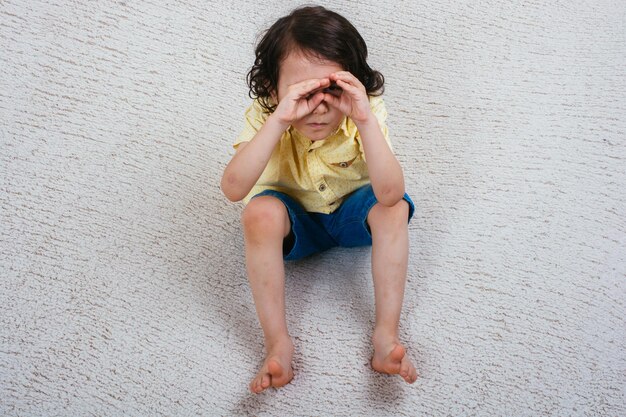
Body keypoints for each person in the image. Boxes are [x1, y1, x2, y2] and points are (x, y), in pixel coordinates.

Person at [221, 5, 418, 394]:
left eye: (330, 88)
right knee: (258, 214)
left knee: (393, 210)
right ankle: (278, 344)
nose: (319, 106)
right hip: (295, 224)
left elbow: (390, 193)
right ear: (273, 89)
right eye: (302, 92)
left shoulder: (363, 110)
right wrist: (279, 119)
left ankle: (386, 335)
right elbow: (233, 189)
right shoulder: (267, 114)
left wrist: (363, 119)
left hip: (352, 211)